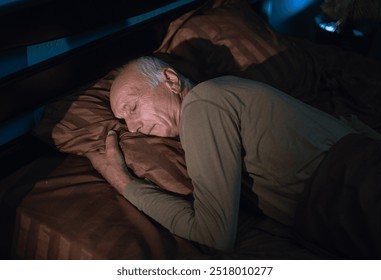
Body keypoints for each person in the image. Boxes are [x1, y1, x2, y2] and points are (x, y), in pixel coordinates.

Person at [86, 56, 355, 252]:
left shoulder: (202, 104)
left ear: (170, 80)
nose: (133, 127)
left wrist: (123, 182)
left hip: (359, 191)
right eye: (124, 121)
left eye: (132, 107)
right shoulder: (221, 94)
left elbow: (213, 233)